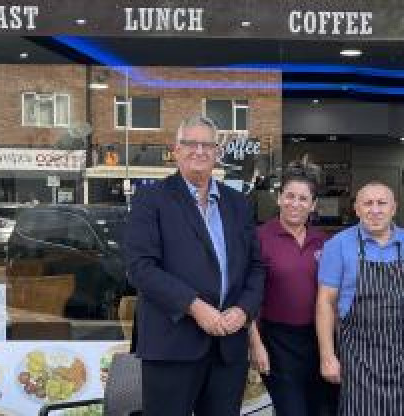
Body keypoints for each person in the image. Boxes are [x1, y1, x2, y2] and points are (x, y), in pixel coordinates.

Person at [124, 114, 264, 416]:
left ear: (217, 153)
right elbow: (140, 267)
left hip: (228, 347)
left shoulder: (238, 204)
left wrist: (243, 310)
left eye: (207, 145)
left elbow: (256, 267)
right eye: (191, 143)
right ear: (176, 150)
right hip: (172, 343)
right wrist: (195, 307)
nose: (199, 151)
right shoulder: (151, 199)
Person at [316, 181, 404, 415]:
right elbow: (325, 302)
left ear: (394, 208)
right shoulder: (337, 245)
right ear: (356, 209)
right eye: (368, 203)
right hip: (358, 357)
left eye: (382, 203)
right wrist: (327, 356)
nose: (375, 210)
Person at [249, 160, 338, 416]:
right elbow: (247, 296)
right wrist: (255, 345)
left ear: (313, 205)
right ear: (278, 198)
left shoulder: (323, 240)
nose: (295, 204)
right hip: (277, 342)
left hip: (320, 339)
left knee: (323, 409)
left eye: (303, 198)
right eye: (289, 196)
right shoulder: (258, 238)